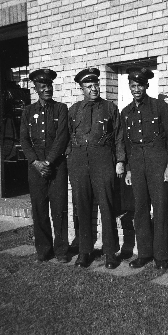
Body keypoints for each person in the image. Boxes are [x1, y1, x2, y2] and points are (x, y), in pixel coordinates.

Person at [67, 67, 125, 269]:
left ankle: (110, 253)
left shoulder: (110, 108)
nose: (94, 89)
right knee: (81, 208)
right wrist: (70, 161)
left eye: (96, 85)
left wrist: (120, 161)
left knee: (107, 207)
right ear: (81, 88)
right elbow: (67, 137)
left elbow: (118, 136)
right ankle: (84, 252)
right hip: (79, 163)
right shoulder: (73, 110)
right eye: (88, 86)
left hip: (103, 162)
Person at [121, 67, 168, 271]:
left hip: (157, 163)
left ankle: (161, 256)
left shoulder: (159, 107)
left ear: (147, 86)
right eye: (133, 86)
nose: (137, 89)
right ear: (129, 87)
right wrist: (127, 168)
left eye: (140, 85)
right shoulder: (126, 112)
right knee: (140, 209)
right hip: (136, 165)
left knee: (160, 208)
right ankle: (144, 254)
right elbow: (126, 143)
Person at [19, 69, 69, 263]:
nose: (47, 89)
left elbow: (62, 137)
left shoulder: (61, 109)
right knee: (39, 209)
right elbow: (23, 140)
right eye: (43, 86)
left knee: (59, 209)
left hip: (56, 166)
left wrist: (48, 162)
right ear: (36, 89)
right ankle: (43, 249)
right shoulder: (28, 112)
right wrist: (35, 162)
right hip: (35, 168)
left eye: (49, 85)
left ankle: (62, 251)